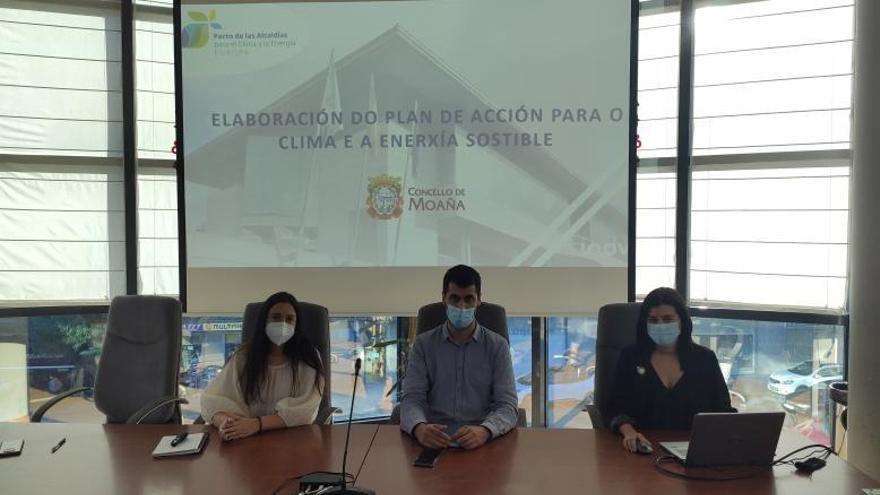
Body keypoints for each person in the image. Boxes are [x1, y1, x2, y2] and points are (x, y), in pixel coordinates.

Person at [400, 265, 518, 450]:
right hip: (433, 440)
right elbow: (412, 398)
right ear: (443, 298)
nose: (461, 307)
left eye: (468, 299)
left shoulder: (497, 346)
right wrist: (419, 428)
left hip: (482, 441)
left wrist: (486, 430)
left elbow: (507, 405)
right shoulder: (424, 345)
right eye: (454, 298)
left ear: (479, 300)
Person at [607, 287, 736, 453]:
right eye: (653, 320)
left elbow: (723, 412)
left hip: (694, 452)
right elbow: (614, 408)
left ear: (682, 320)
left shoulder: (705, 359)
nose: (660, 325)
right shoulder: (631, 357)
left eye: (668, 319)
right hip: (642, 451)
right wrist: (629, 432)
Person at [201, 292, 325, 441]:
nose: (283, 324)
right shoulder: (244, 356)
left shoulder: (308, 357)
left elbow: (304, 411)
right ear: (264, 321)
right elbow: (212, 399)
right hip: (247, 438)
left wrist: (257, 424)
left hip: (293, 439)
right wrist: (225, 423)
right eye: (276, 317)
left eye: (290, 319)